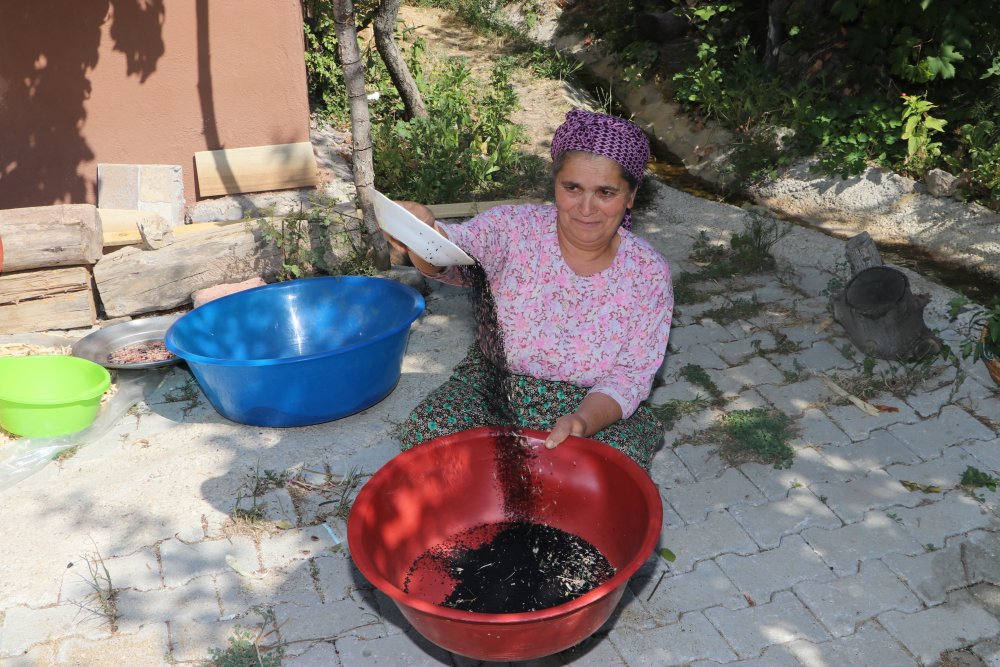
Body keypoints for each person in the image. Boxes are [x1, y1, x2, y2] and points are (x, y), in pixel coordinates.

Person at [388, 109, 673, 470]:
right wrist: (422, 235)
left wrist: (582, 421)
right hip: (495, 386)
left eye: (606, 192)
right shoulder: (515, 229)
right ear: (555, 185)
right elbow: (455, 254)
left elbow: (631, 375)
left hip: (590, 403)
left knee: (612, 467)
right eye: (572, 188)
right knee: (430, 435)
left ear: (630, 196)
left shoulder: (647, 272)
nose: (586, 208)